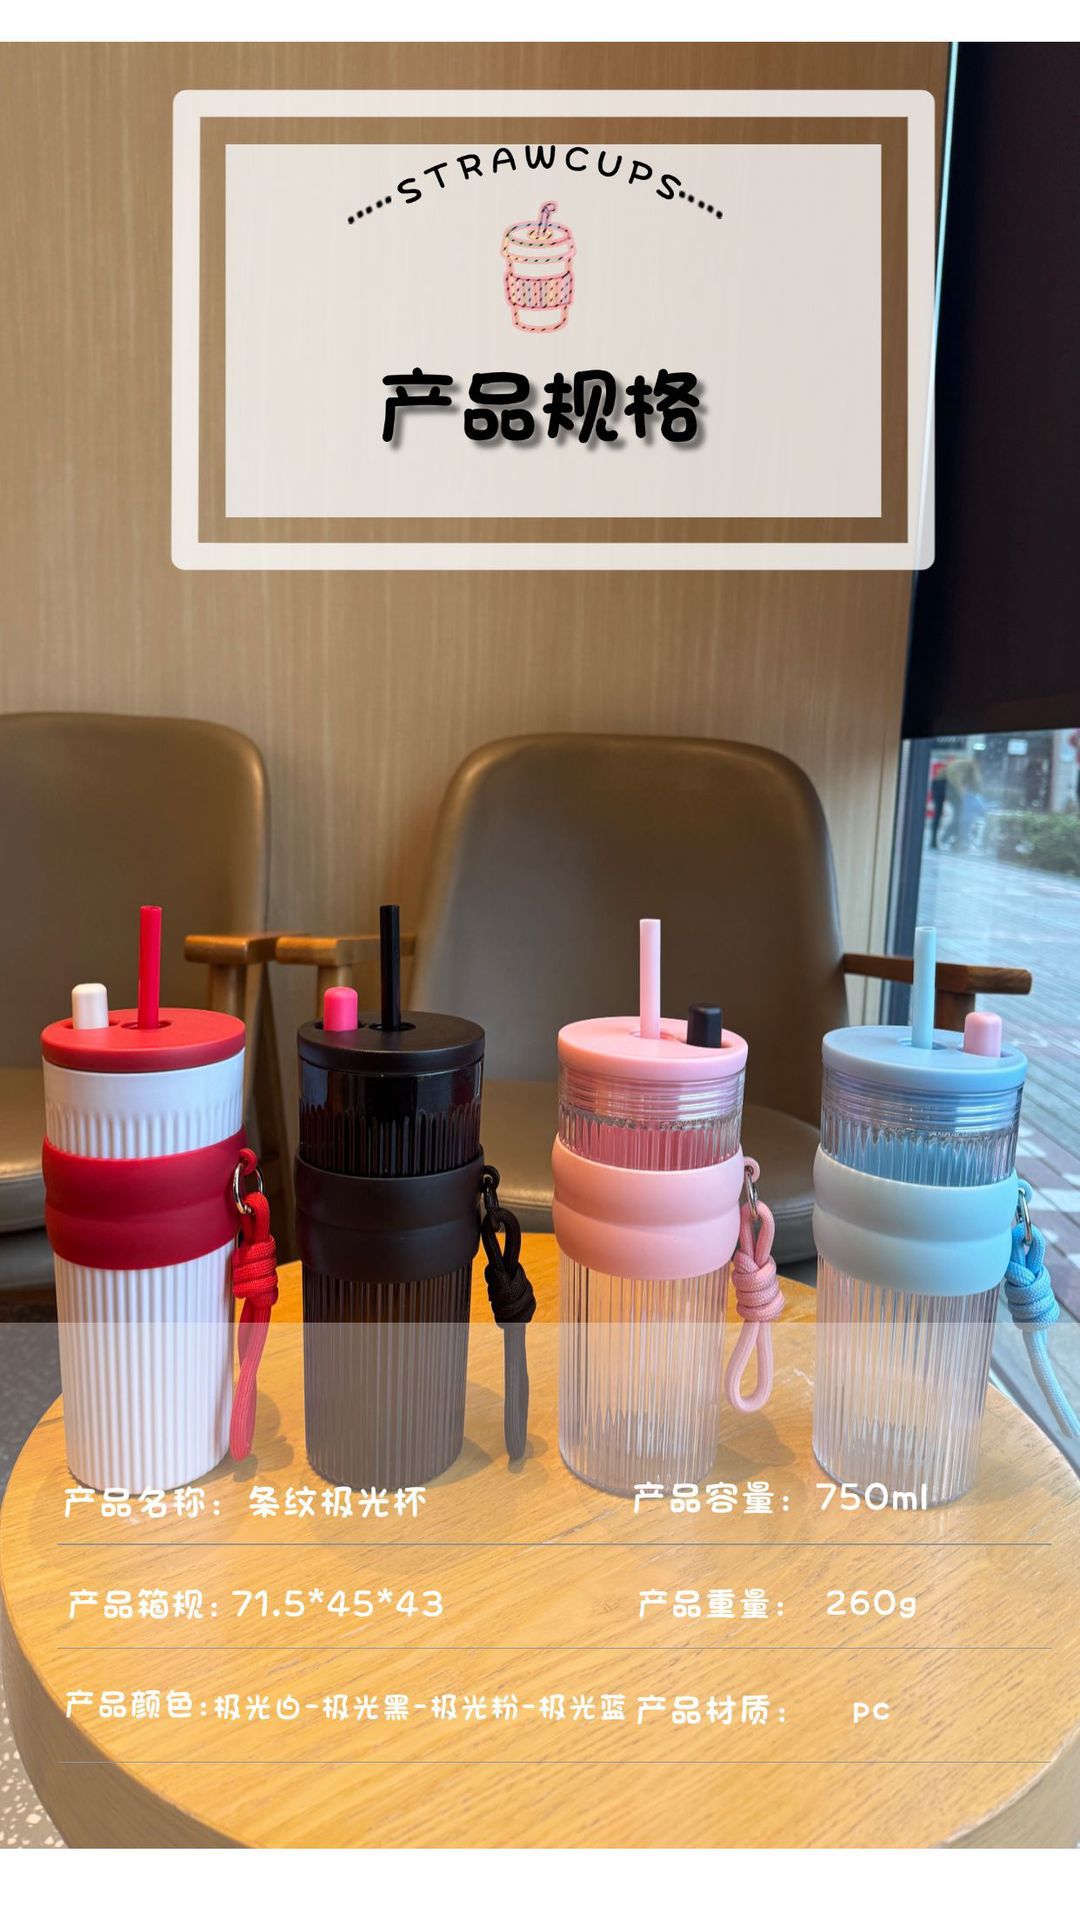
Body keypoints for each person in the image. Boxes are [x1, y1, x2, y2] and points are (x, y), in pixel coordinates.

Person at [929, 762, 949, 849]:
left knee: (936, 820)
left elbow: (933, 792)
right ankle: (935, 841)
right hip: (940, 802)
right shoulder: (944, 781)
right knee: (937, 821)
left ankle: (934, 841)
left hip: (938, 802)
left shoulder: (936, 780)